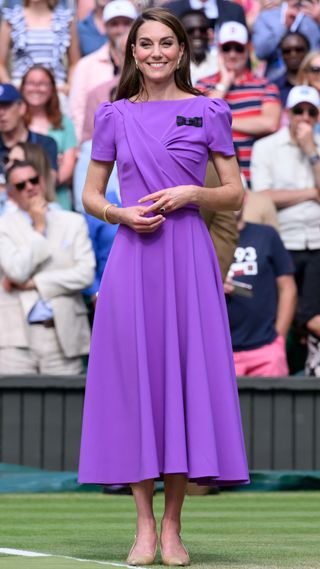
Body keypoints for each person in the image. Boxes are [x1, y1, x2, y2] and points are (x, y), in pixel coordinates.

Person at [78, 7, 249, 567]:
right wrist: (120, 215)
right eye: (145, 43)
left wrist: (190, 196)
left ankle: (173, 528)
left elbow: (234, 194)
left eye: (165, 43)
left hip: (188, 259)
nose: (155, 52)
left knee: (181, 386)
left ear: (181, 51)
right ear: (133, 52)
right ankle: (144, 528)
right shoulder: (113, 116)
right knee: (138, 388)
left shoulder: (208, 111)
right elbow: (91, 194)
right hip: (132, 260)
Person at [0, 160, 95, 374]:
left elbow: (85, 274)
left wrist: (35, 283)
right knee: (11, 406)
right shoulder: (3, 226)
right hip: (15, 338)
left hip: (62, 335)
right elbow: (16, 271)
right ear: (12, 194)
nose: (29, 187)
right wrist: (39, 228)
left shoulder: (73, 222)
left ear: (42, 182)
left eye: (33, 180)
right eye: (21, 185)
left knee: (63, 406)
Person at [251, 85, 320, 373]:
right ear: (287, 114)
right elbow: (263, 195)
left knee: (309, 312)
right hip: (283, 237)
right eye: (298, 111)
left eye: (311, 112)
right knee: (297, 310)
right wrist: (311, 192)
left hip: (317, 240)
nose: (304, 117)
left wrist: (312, 154)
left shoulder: (317, 147)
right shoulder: (266, 147)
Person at [196, 21, 281, 186]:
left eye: (238, 48)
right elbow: (199, 119)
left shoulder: (265, 86)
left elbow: (270, 123)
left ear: (248, 49)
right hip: (213, 180)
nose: (232, 54)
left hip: (255, 179)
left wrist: (221, 119)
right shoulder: (202, 85)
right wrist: (224, 83)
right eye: (227, 48)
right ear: (219, 50)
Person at [225, 201, 297, 377]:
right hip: (221, 352)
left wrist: (278, 340)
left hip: (266, 349)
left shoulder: (266, 235)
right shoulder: (207, 237)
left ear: (245, 198)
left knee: (275, 405)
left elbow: (288, 288)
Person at [69, 0, 138, 141]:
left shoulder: (147, 62)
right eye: (114, 24)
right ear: (105, 27)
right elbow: (77, 112)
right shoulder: (86, 66)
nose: (121, 29)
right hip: (97, 141)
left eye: (126, 23)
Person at [21, 66, 77, 209]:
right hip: (21, 195)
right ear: (22, 87)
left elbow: (69, 165)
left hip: (57, 196)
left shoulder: (64, 123)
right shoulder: (16, 122)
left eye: (43, 84)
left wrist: (45, 186)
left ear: (52, 88)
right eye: (31, 83)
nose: (36, 88)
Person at [0, 0, 80, 96]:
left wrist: (70, 85)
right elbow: (1, 63)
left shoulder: (66, 20)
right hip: (21, 87)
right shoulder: (11, 19)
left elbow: (74, 62)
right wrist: (10, 87)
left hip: (57, 88)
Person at [0, 83, 58, 180]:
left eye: (6, 106)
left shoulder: (44, 144)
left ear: (22, 108)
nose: (1, 113)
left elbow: (49, 182)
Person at [252, 0, 320, 81]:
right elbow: (261, 53)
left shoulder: (311, 16)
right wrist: (283, 27)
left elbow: (315, 54)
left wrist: (318, 21)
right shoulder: (267, 17)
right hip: (276, 82)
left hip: (308, 81)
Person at [180, 9, 218, 85]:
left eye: (202, 30)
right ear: (180, 34)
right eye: (190, 31)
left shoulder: (220, 65)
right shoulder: (172, 68)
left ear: (209, 34)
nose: (197, 34)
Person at [275, 32, 310, 107]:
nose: (293, 54)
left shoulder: (316, 83)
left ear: (308, 51)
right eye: (287, 51)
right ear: (281, 55)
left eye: (299, 50)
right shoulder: (273, 88)